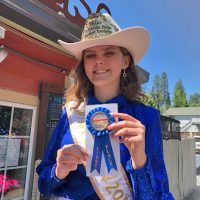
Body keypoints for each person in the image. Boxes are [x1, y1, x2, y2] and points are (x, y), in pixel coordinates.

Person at [36, 13, 174, 200]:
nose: (98, 60)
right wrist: (59, 170)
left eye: (109, 52)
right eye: (90, 55)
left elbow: (159, 195)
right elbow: (44, 184)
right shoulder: (70, 114)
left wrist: (139, 161)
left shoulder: (147, 117)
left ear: (125, 61)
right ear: (84, 64)